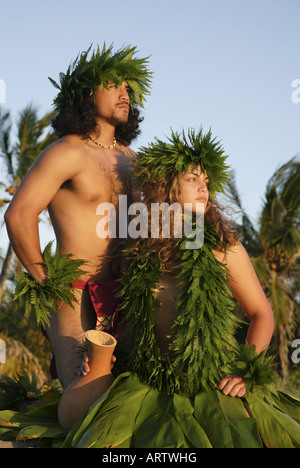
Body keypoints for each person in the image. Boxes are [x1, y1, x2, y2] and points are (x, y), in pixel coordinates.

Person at [63, 128, 300, 448]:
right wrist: (101, 357)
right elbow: (131, 322)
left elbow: (261, 314)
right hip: (147, 382)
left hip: (208, 384)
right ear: (166, 187)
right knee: (78, 426)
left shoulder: (222, 248)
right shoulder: (138, 248)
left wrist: (246, 371)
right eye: (192, 179)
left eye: (206, 180)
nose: (203, 186)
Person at [4, 43, 152, 389]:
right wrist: (46, 284)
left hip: (127, 292)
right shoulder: (66, 152)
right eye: (113, 85)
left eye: (128, 88)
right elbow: (19, 214)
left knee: (134, 392)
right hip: (74, 294)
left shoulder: (132, 158)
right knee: (84, 390)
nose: (123, 93)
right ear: (86, 94)